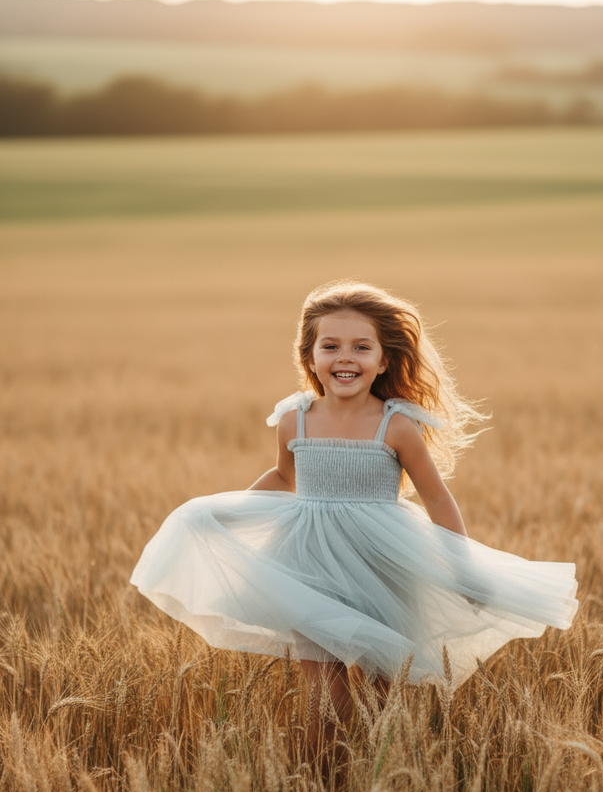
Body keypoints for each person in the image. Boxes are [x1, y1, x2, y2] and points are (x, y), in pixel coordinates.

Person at [131, 281, 578, 750]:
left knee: (382, 702)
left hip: (383, 566)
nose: (345, 358)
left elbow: (438, 498)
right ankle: (324, 785)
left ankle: (375, 784)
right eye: (331, 346)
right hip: (311, 565)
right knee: (325, 701)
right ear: (309, 356)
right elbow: (285, 479)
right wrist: (226, 516)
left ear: (383, 361)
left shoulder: (397, 425)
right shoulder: (294, 421)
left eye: (361, 347)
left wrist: (463, 569)